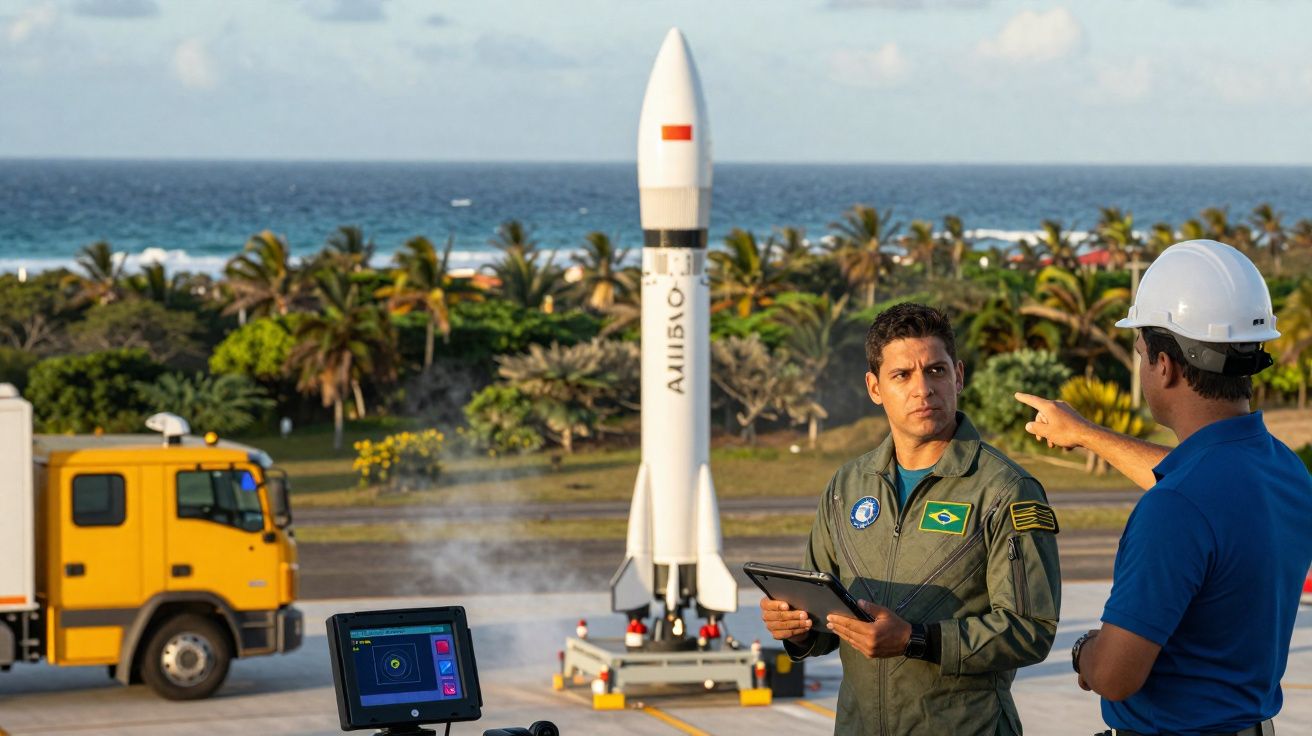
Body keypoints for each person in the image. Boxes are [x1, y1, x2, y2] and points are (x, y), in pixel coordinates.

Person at [1015, 239, 1312, 736]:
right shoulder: (1284, 469)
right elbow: (1194, 480)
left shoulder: (1176, 507)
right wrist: (1085, 433)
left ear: (1165, 366)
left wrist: (1084, 651)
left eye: (1139, 352)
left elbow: (1114, 677)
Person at [761, 302, 1062, 735]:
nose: (923, 389)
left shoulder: (1005, 490)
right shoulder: (847, 485)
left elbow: (1031, 629)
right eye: (902, 375)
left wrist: (916, 639)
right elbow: (827, 619)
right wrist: (797, 629)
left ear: (958, 375)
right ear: (874, 387)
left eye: (936, 371)